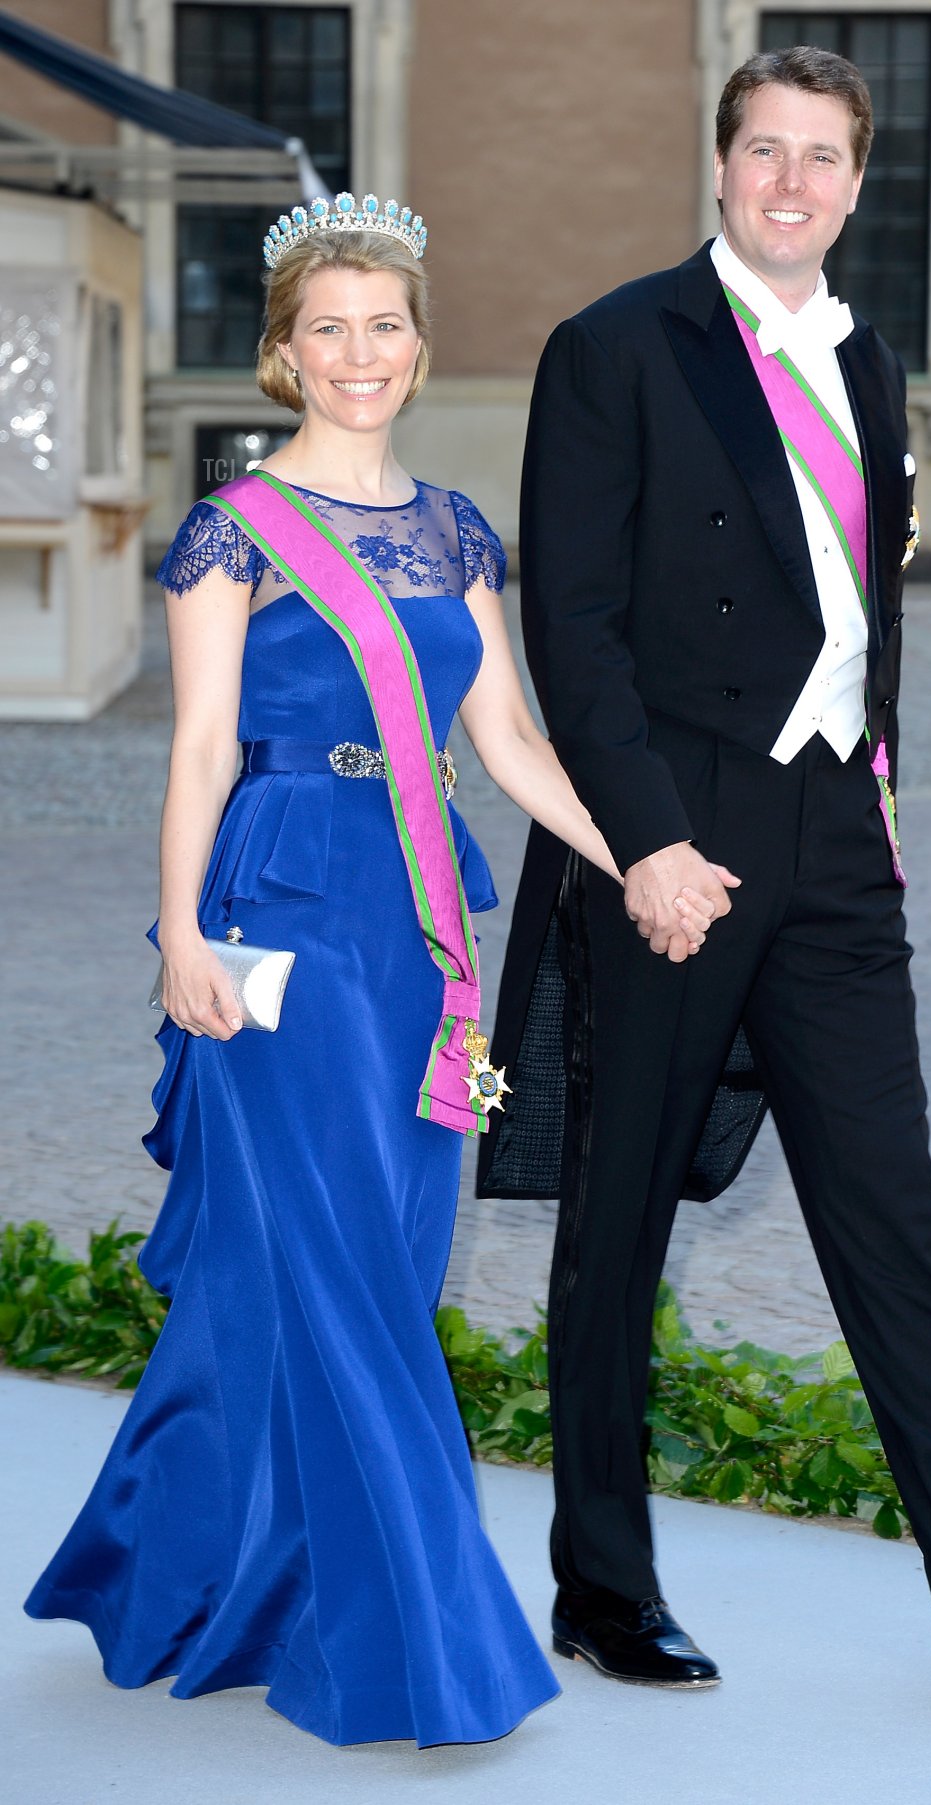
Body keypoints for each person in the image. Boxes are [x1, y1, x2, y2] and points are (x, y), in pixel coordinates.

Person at [478, 49, 931, 1689]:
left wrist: (878, 794)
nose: (792, 183)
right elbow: (571, 623)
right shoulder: (614, 347)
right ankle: (602, 1586)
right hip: (678, 827)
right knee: (621, 1210)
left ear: (860, 185)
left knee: (892, 1199)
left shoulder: (868, 361)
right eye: (766, 151)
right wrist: (642, 840)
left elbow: (860, 606)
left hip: (835, 833)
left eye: (823, 158)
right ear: (722, 165)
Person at [23, 194, 714, 1747]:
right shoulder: (234, 530)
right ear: (285, 352)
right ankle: (421, 1643)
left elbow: (510, 741)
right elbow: (202, 748)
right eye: (326, 328)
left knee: (362, 1264)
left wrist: (642, 858)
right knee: (346, 1276)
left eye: (382, 325)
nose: (358, 353)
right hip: (279, 910)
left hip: (415, 931)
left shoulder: (455, 530)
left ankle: (189, 1574)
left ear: (417, 345)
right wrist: (179, 932)